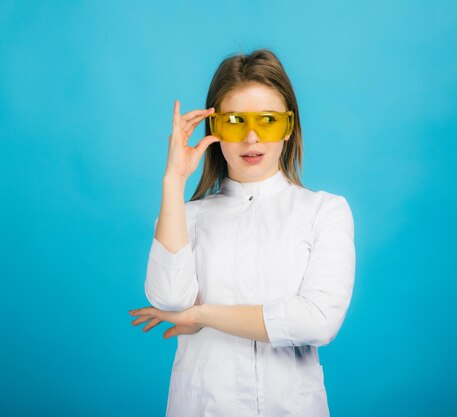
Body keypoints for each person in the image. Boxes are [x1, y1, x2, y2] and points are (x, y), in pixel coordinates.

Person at [129, 49, 355, 417]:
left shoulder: (324, 211)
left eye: (267, 120)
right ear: (215, 129)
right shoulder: (186, 217)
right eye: (235, 121)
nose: (251, 138)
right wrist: (173, 181)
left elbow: (317, 320)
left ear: (288, 126)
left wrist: (202, 316)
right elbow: (170, 299)